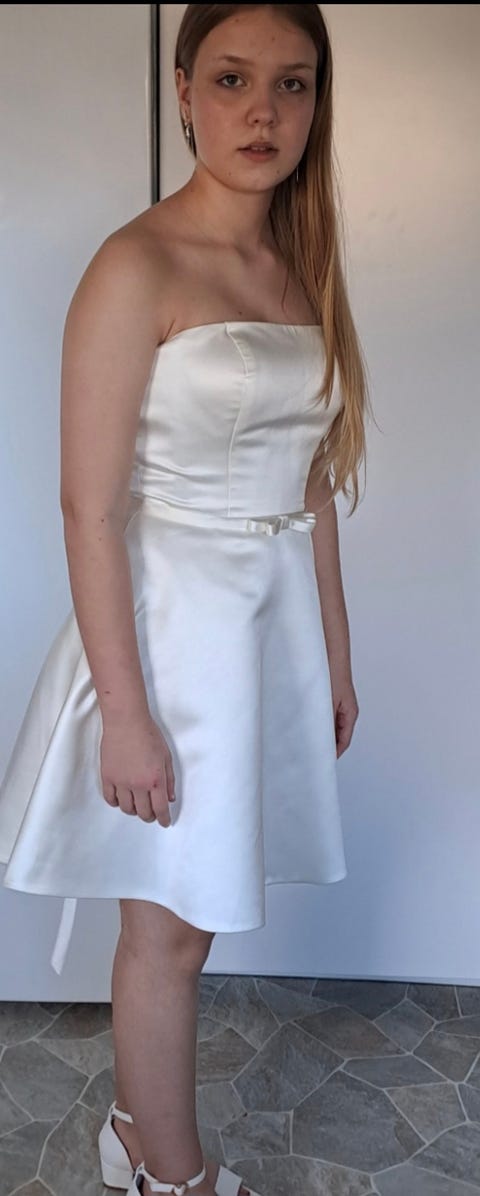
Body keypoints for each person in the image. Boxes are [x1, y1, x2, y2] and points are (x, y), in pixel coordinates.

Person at [0, 5, 372, 1194]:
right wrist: (123, 711)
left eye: (293, 84)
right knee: (165, 928)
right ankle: (173, 1176)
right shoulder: (137, 264)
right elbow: (88, 507)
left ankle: (130, 1131)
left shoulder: (296, 270)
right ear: (182, 92)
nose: (264, 111)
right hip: (171, 639)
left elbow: (310, 486)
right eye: (232, 79)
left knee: (190, 921)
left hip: (265, 639)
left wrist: (336, 657)